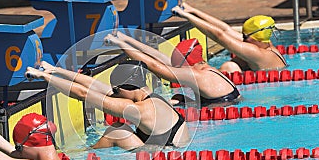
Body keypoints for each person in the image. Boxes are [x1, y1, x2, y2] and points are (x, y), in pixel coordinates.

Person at [25, 60, 190, 151]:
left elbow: (84, 94)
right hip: (176, 157)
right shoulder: (153, 98)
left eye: (117, 89)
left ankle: (81, 153)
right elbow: (93, 85)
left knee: (116, 131)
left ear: (127, 87)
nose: (114, 92)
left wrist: (45, 78)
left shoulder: (139, 110)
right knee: (118, 127)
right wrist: (54, 71)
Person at [103, 32, 241, 107]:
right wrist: (125, 38)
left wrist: (121, 45)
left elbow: (154, 66)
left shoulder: (197, 75)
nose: (175, 68)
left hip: (224, 109)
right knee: (177, 99)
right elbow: (159, 57)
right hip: (226, 103)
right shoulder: (204, 68)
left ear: (185, 63)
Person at [172, 2, 287, 73]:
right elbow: (226, 30)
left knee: (230, 67)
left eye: (245, 36)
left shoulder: (255, 52)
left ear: (254, 37)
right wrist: (192, 11)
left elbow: (219, 36)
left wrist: (185, 16)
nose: (243, 39)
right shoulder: (264, 44)